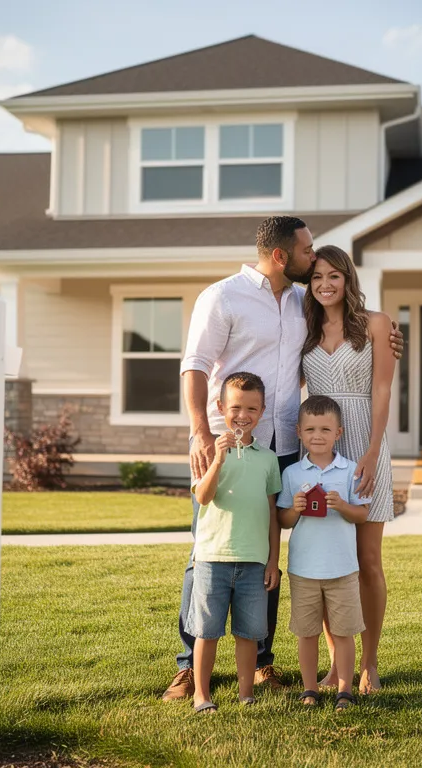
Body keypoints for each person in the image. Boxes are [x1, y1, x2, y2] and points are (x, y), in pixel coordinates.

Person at [164, 216, 404, 703]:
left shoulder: (303, 303)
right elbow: (194, 365)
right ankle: (190, 666)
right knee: (209, 551)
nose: (315, 262)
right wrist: (198, 432)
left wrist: (390, 340)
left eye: (321, 261)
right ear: (281, 256)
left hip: (292, 444)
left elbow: (367, 349)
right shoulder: (223, 297)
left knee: (270, 552)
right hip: (232, 442)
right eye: (307, 254)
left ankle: (265, 662)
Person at [301, 244, 396, 696]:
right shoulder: (304, 329)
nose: (325, 284)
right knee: (328, 563)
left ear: (348, 278)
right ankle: (338, 666)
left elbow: (382, 389)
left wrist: (374, 451)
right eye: (317, 276)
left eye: (334, 276)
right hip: (323, 450)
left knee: (368, 561)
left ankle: (369, 664)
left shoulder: (376, 324)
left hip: (366, 445)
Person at [187, 371, 282, 713]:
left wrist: (273, 560)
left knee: (249, 633)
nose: (243, 416)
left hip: (254, 560)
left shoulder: (268, 459)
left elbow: (272, 513)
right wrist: (218, 459)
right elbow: (203, 497)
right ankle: (201, 695)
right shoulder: (208, 450)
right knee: (207, 631)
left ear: (262, 412)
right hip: (213, 557)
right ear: (220, 407)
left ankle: (246, 694)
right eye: (236, 407)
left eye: (252, 409)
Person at [277, 396, 370, 711]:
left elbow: (362, 514)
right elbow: (283, 520)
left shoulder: (349, 471)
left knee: (344, 632)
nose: (318, 436)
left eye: (326, 429)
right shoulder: (291, 473)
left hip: (342, 568)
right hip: (304, 569)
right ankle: (309, 689)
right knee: (307, 633)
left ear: (338, 433)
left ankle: (345, 688)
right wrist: (296, 509)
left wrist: (343, 505)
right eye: (311, 429)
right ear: (299, 433)